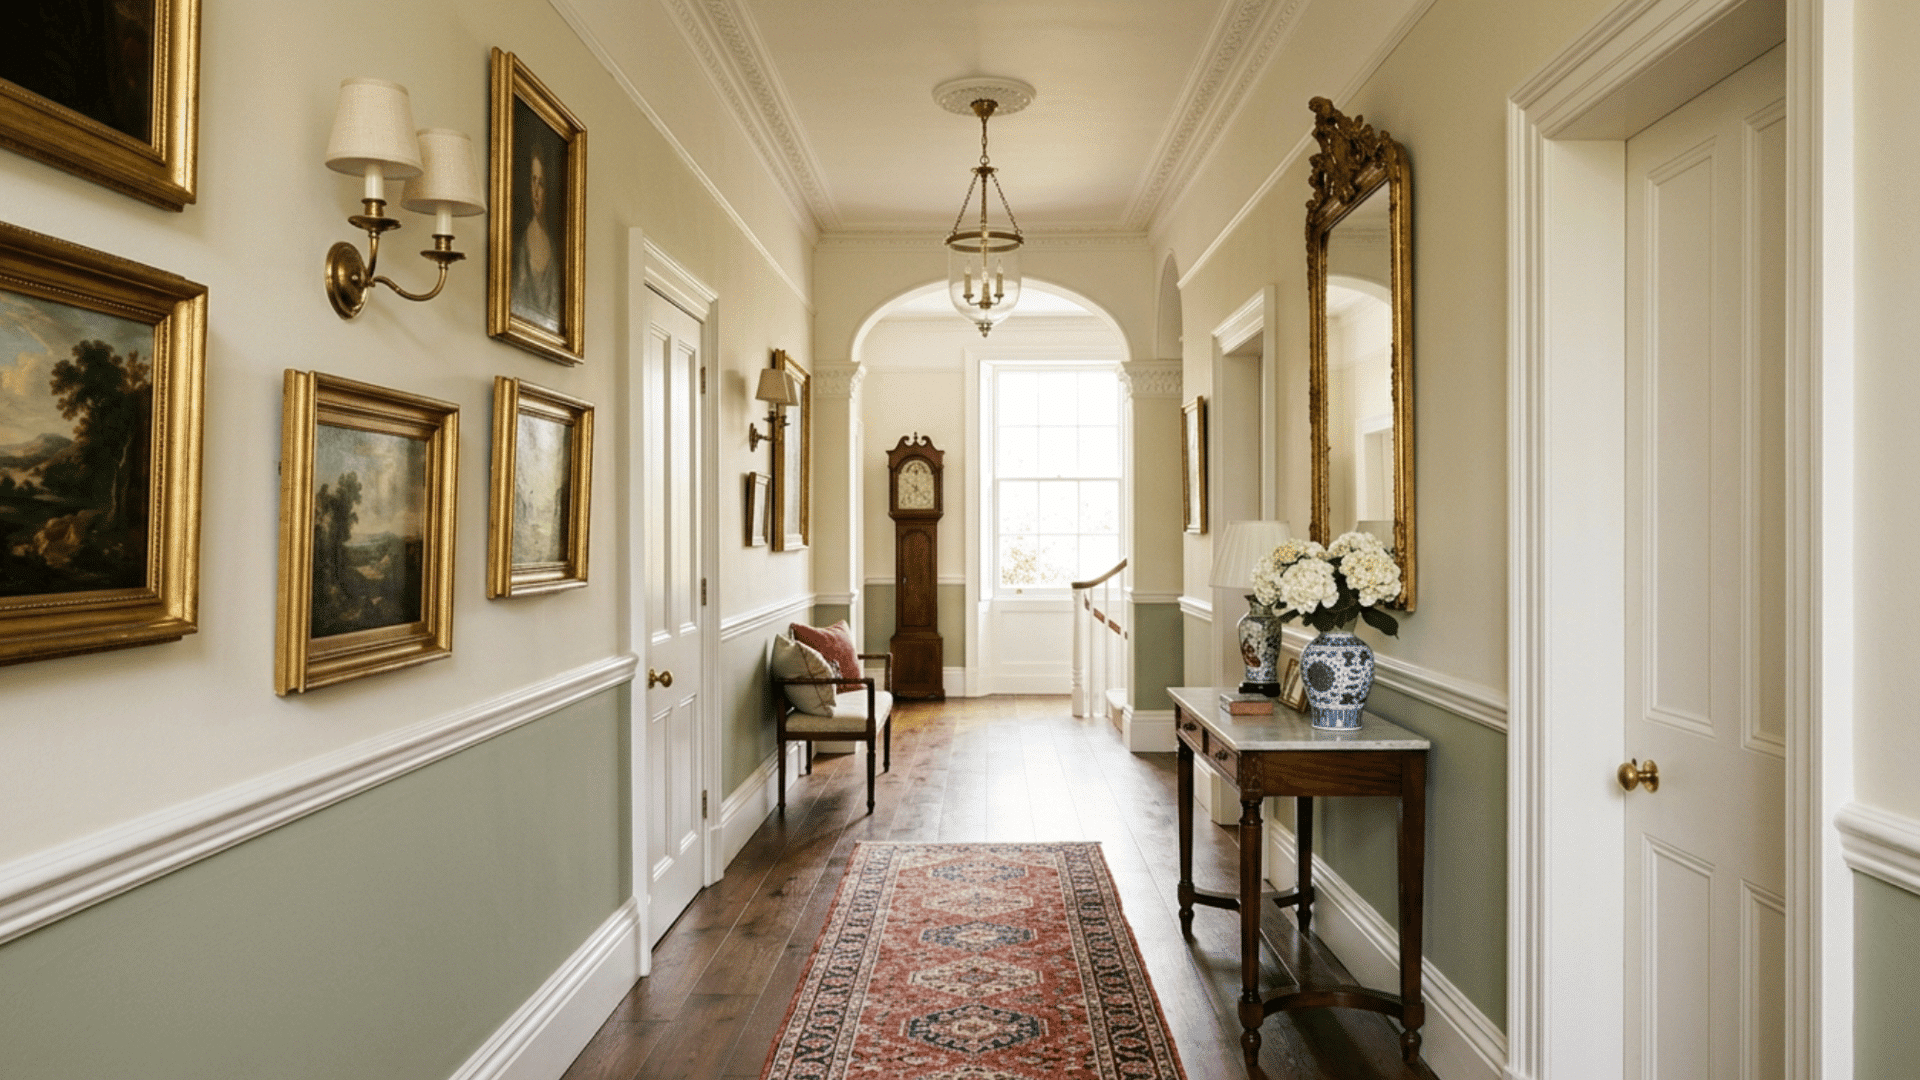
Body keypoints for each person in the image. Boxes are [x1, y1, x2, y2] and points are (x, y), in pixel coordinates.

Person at [511, 148, 561, 332]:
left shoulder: (555, 248)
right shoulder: (520, 243)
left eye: (541, 184)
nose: (536, 193)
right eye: (533, 181)